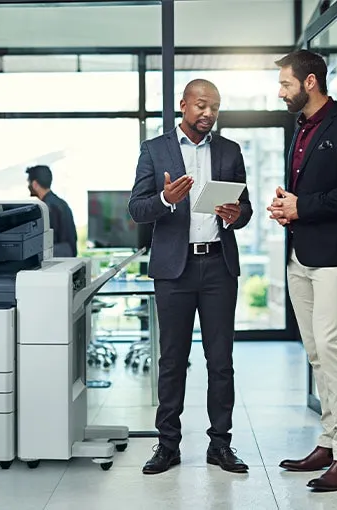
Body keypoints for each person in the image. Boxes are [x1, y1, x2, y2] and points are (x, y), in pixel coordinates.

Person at [128, 79, 252, 475]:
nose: (208, 114)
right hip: (174, 271)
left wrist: (236, 215)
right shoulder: (154, 150)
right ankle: (167, 446)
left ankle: (220, 445)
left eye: (215, 107)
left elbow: (245, 209)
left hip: (218, 266)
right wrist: (167, 199)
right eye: (201, 105)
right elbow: (136, 208)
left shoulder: (230, 151)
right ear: (183, 105)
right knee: (171, 360)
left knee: (221, 361)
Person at [267, 49, 337, 492]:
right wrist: (287, 206)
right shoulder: (301, 129)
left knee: (333, 349)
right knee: (316, 352)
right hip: (301, 254)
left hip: (335, 256)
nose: (281, 92)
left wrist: (303, 206)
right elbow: (308, 191)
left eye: (286, 84)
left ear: (310, 82)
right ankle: (330, 441)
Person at [26, 165, 77, 257]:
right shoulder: (62, 204)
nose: (28, 186)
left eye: (29, 183)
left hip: (55, 262)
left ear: (35, 184)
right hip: (68, 260)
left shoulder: (45, 208)